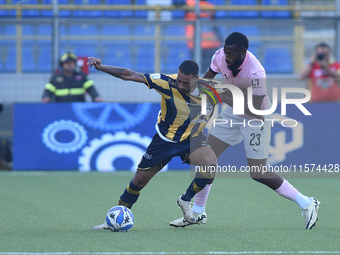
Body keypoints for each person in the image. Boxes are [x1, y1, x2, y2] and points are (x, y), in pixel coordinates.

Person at [171, 32, 320, 230]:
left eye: (231, 54)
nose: (227, 57)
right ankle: (198, 212)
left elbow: (254, 109)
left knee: (258, 172)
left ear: (243, 52)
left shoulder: (256, 73)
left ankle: (307, 203)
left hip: (256, 117)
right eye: (225, 52)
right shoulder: (219, 57)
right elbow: (207, 81)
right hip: (232, 111)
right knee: (208, 159)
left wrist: (222, 96)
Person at [87, 57, 230, 230]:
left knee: (210, 164)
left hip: (193, 139)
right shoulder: (166, 82)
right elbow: (130, 75)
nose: (181, 85)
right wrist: (102, 67)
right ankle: (116, 217)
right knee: (138, 181)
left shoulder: (211, 88)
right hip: (164, 141)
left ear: (196, 79)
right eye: (179, 80)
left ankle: (185, 199)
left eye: (186, 83)